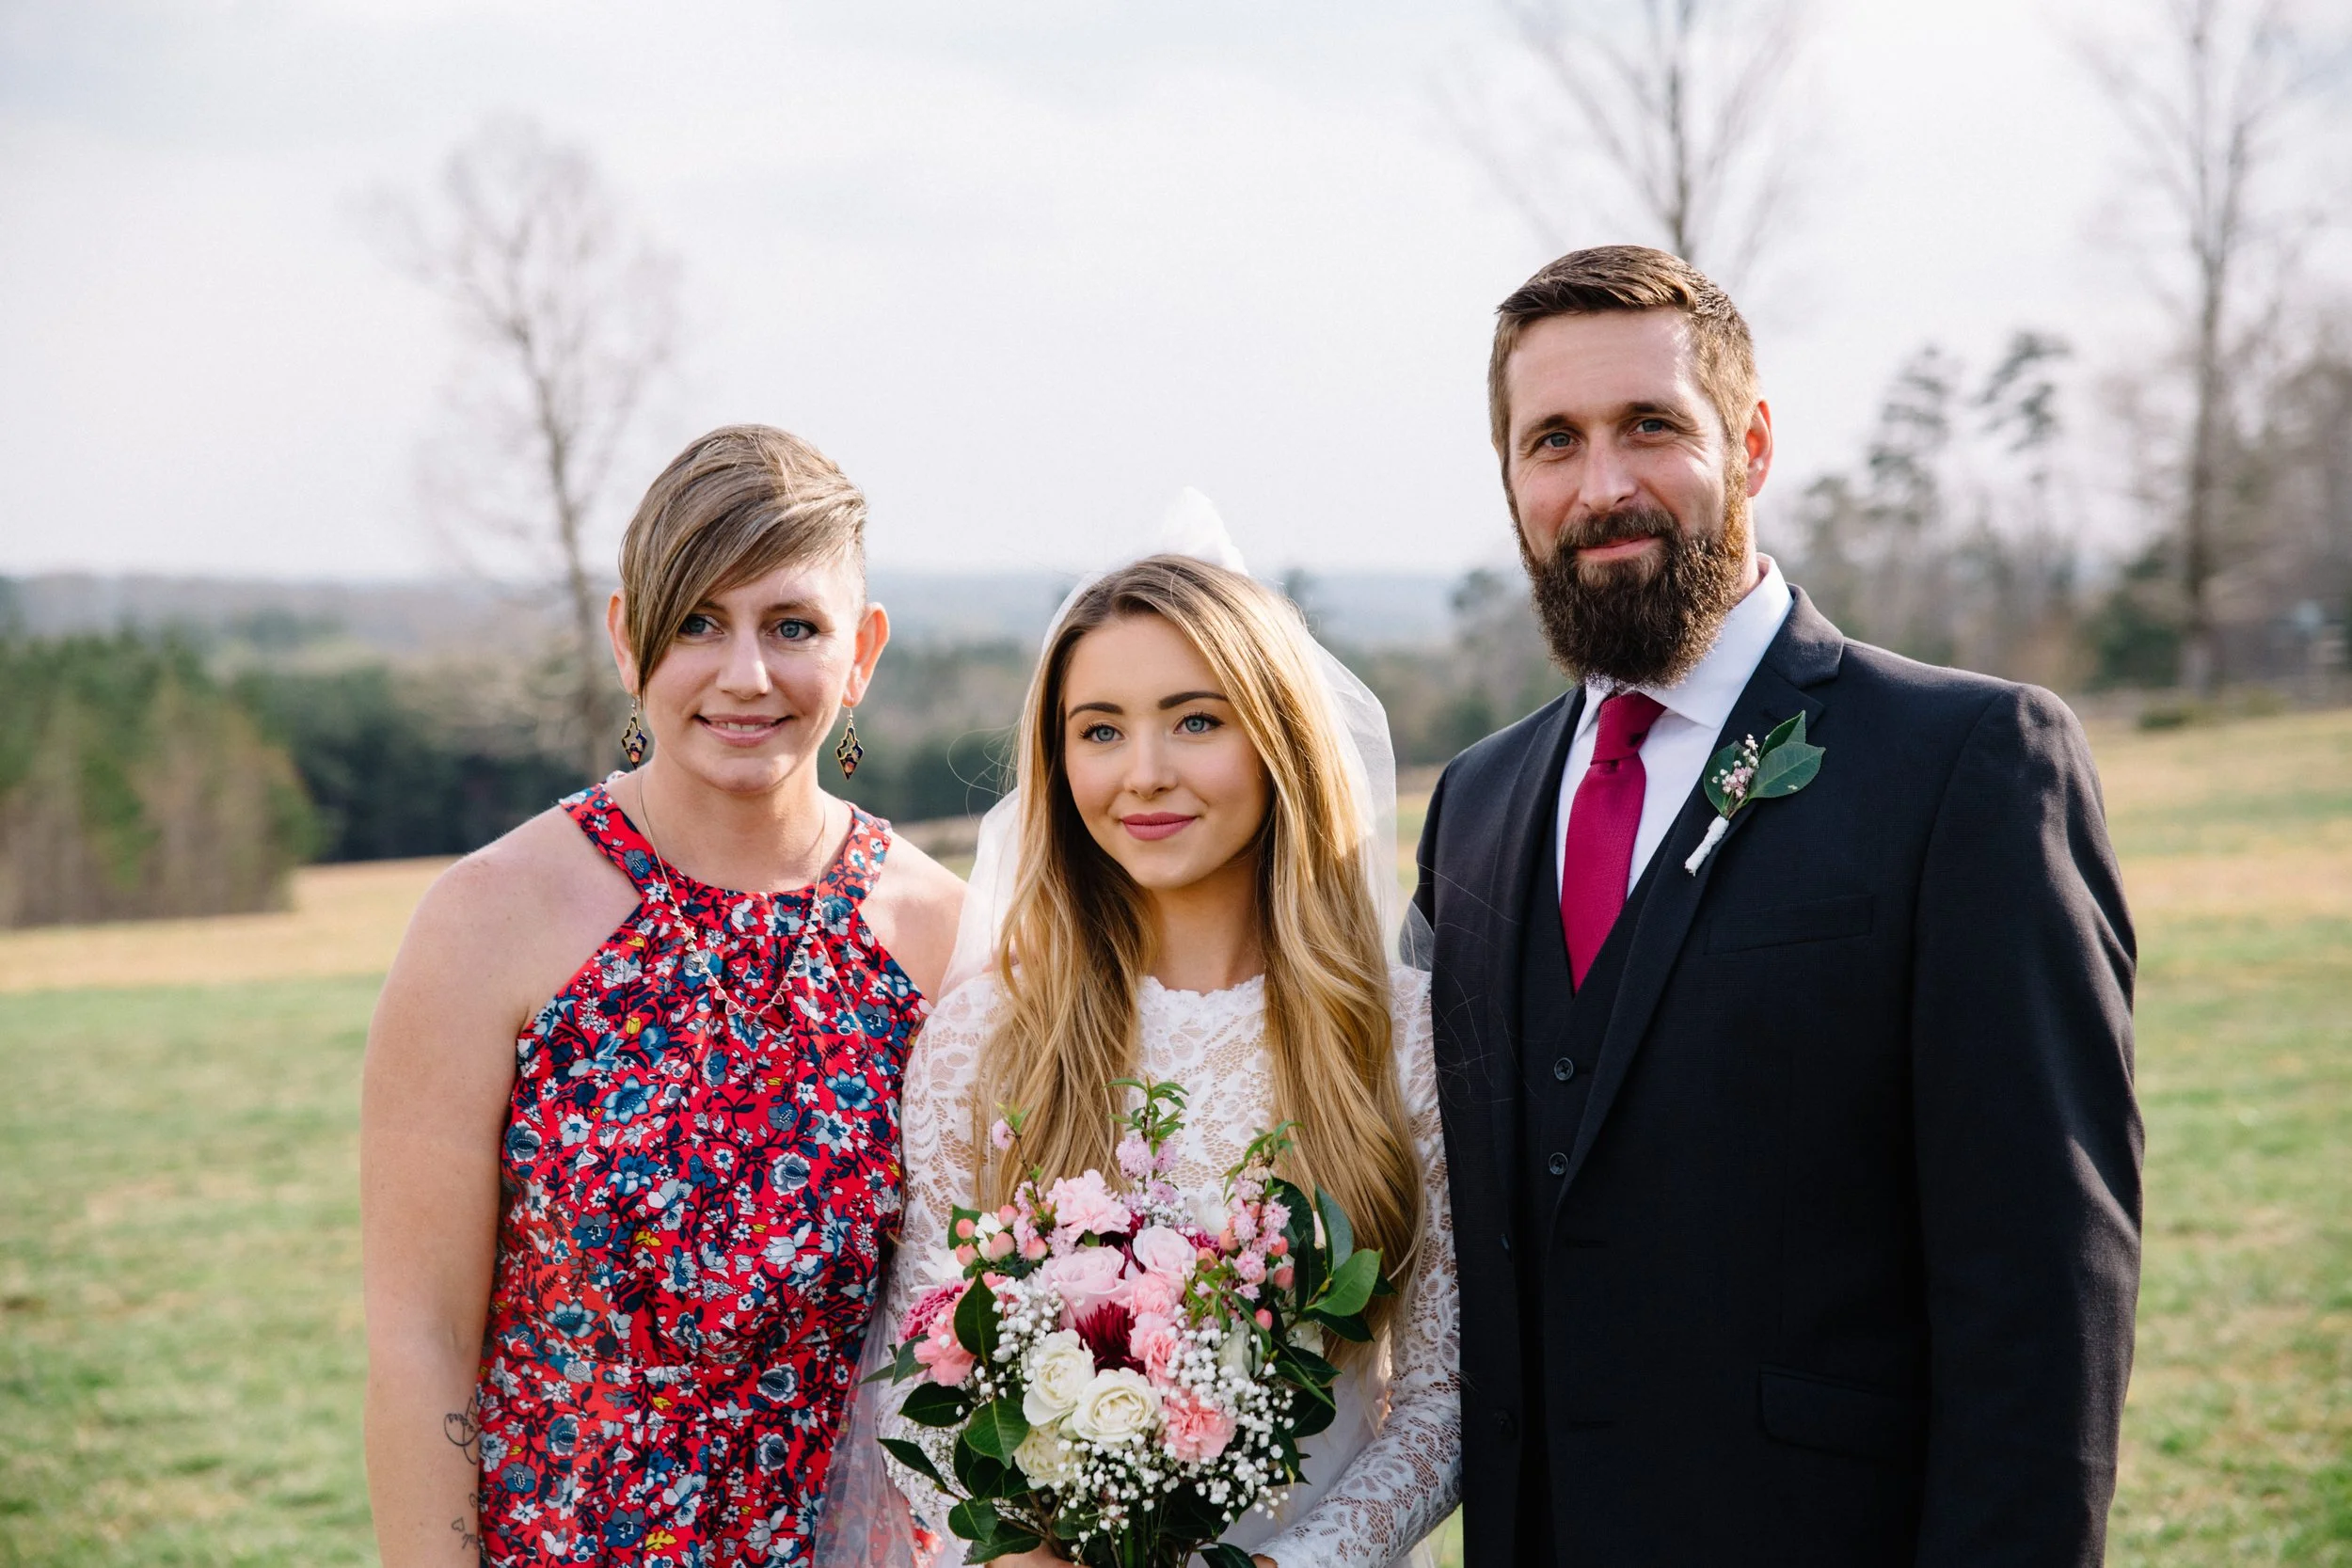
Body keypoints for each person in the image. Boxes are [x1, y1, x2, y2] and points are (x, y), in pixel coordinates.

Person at [1411, 246, 2141, 1565]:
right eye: (1553, 441)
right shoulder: (1476, 801)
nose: (1604, 484)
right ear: (1514, 481)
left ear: (1748, 443)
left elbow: (2044, 1295)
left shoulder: (1966, 763)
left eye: (1652, 426)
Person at [360, 424, 965, 1568]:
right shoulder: (483, 922)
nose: (746, 674)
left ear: (863, 650)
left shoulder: (940, 939)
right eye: (697, 621)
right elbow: (418, 1338)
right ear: (627, 637)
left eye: (793, 625)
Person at [877, 540, 1461, 1567]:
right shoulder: (986, 1040)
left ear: (1276, 737)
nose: (1144, 773)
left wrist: (1298, 1562)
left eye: (1195, 719)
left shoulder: (1402, 1036)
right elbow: (917, 1365)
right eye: (1099, 730)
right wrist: (1014, 1549)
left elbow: (1438, 1401)